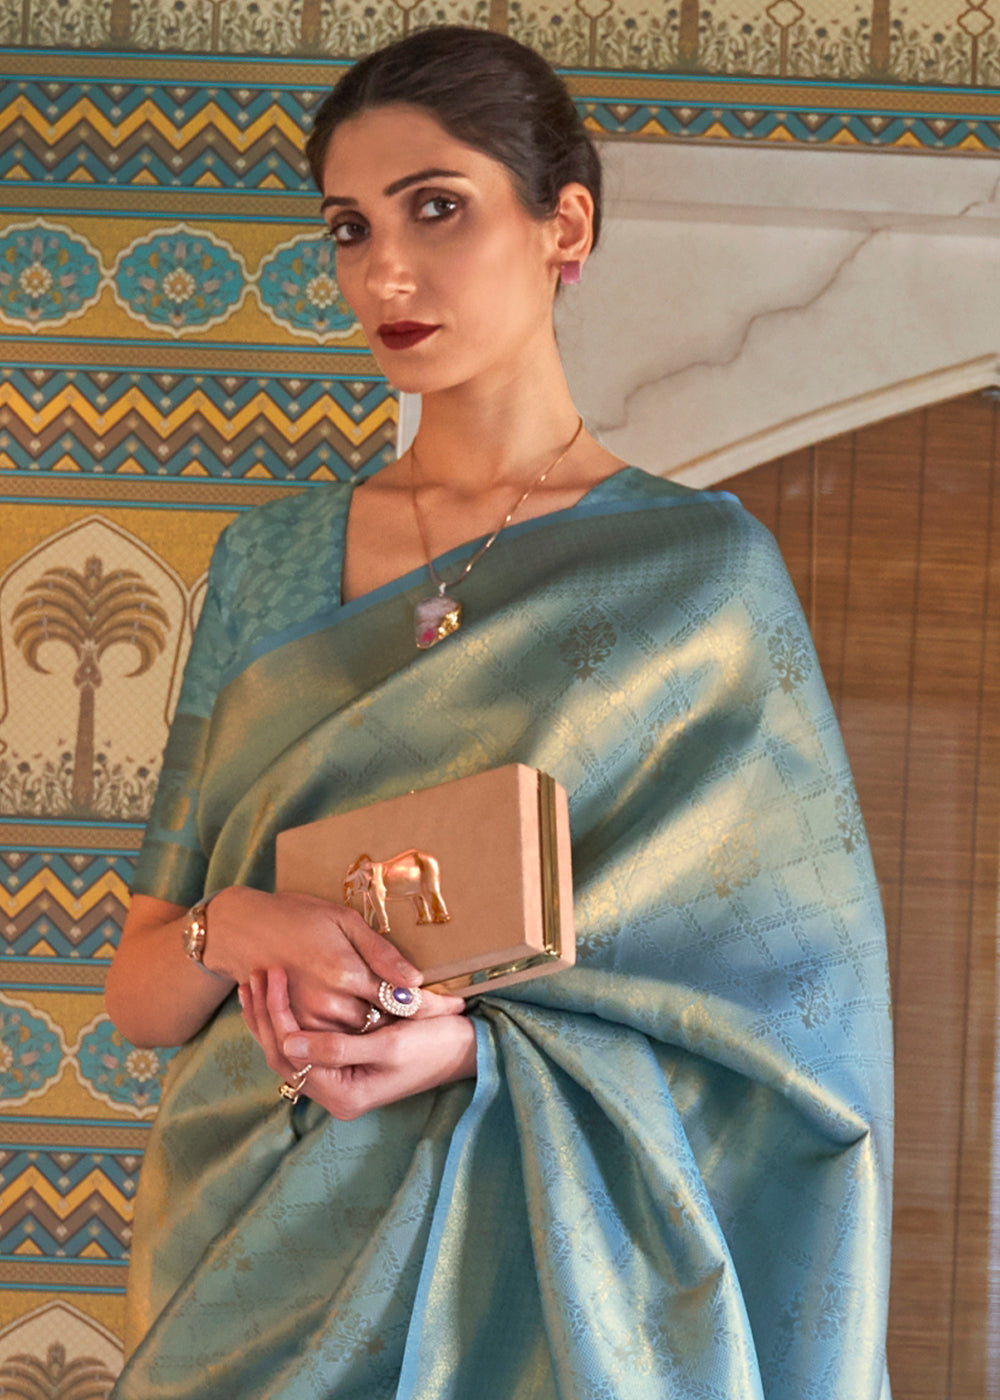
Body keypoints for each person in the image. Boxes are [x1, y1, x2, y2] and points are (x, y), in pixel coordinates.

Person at [106, 25, 893, 1400]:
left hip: (553, 1279)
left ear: (563, 225)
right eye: (350, 228)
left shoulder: (695, 576)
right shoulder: (269, 561)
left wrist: (480, 1047)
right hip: (258, 1254)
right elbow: (143, 996)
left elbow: (794, 1034)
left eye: (437, 207)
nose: (385, 273)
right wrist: (243, 925)